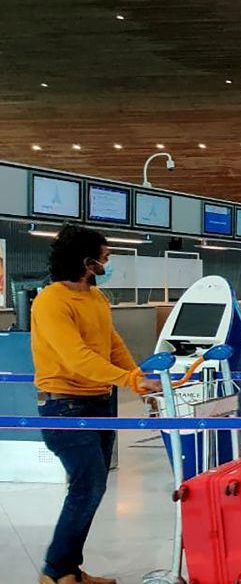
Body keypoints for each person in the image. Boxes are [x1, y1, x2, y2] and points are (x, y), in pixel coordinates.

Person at [33, 225, 163, 584]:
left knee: (92, 487)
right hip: (64, 404)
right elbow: (77, 358)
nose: (108, 262)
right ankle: (55, 572)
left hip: (99, 402)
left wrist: (137, 378)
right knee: (86, 486)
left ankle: (69, 570)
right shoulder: (51, 302)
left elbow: (112, 344)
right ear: (86, 261)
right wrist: (130, 380)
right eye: (104, 257)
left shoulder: (96, 297)